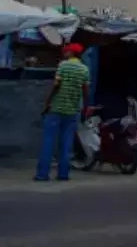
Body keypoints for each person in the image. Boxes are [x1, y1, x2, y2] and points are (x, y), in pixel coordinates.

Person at [35, 43, 90, 182]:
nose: (64, 53)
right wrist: (85, 108)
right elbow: (85, 91)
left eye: (67, 52)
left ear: (71, 53)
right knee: (66, 144)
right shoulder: (84, 69)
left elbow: (56, 86)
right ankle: (63, 174)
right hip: (72, 110)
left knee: (48, 142)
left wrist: (47, 103)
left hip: (56, 109)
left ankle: (42, 174)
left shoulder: (63, 66)